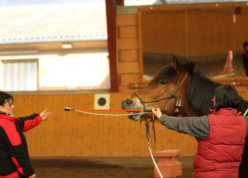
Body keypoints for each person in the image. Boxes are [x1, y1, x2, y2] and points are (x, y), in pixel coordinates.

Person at [152, 85, 248, 178]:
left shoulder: (207, 123)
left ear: (219, 101)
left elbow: (181, 123)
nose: (213, 99)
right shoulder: (244, 122)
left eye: (215, 97)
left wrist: (161, 117)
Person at [0, 91, 52, 178]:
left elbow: (19, 124)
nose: (13, 106)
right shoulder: (7, 126)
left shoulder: (7, 123)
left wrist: (38, 118)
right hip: (9, 174)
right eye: (10, 105)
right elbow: (17, 151)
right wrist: (29, 172)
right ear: (0, 107)